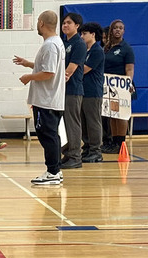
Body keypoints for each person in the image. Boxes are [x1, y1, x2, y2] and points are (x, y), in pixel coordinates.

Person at [13, 11, 66, 185]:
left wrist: (29, 77)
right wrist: (28, 63)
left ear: (42, 23)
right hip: (51, 99)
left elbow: (49, 73)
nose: (37, 24)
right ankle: (55, 170)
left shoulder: (50, 45)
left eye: (37, 21)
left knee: (47, 136)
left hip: (46, 100)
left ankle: (53, 172)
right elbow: (48, 66)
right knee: (50, 135)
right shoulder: (56, 43)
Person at [102, 19, 135, 154]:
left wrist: (129, 83)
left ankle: (121, 143)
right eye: (115, 27)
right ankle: (113, 142)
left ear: (124, 31)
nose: (118, 30)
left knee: (121, 115)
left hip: (121, 87)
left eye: (121, 28)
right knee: (112, 115)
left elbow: (130, 69)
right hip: (109, 86)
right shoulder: (107, 47)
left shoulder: (126, 49)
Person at [60, 12, 86, 169]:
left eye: (69, 23)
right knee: (66, 124)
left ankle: (76, 156)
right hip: (63, 90)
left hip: (73, 89)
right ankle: (69, 152)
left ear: (77, 26)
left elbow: (69, 70)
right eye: (63, 22)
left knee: (73, 123)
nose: (65, 25)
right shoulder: (63, 43)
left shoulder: (79, 44)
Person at [79, 22, 105, 163]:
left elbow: (83, 69)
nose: (82, 36)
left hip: (93, 92)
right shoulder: (86, 50)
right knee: (84, 122)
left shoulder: (97, 51)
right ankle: (87, 148)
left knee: (93, 122)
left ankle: (96, 151)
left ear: (93, 34)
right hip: (83, 91)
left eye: (84, 33)